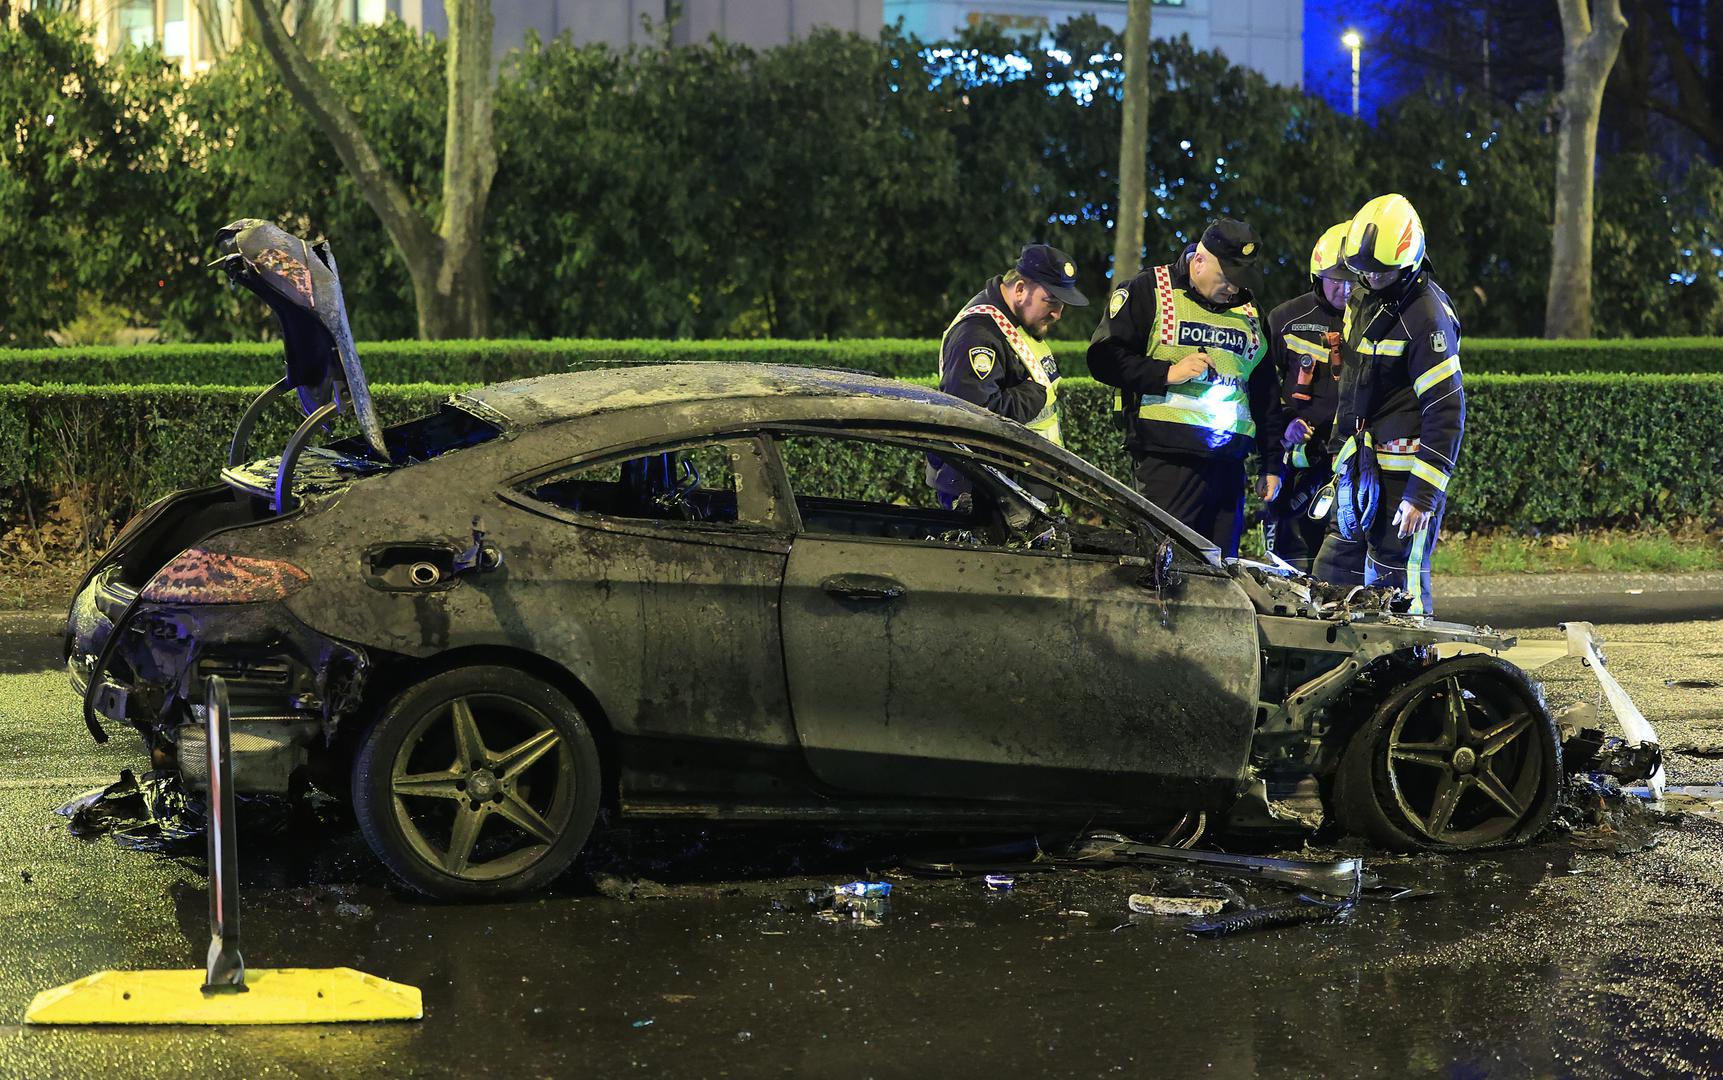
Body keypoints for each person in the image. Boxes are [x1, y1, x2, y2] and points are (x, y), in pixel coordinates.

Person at [1086, 218, 1286, 557]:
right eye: (1226, 278)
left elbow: (1264, 392)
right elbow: (1104, 359)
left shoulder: (1250, 310)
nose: (1233, 289)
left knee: (1221, 571)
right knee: (1163, 567)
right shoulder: (1149, 289)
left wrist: (1271, 463)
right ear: (1200, 261)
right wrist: (1167, 372)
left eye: (1240, 279)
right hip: (1166, 464)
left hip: (1228, 469)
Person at [1312, 193, 1464, 615]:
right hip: (1360, 469)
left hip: (1403, 479)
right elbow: (1355, 386)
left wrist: (1422, 495)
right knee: (1332, 577)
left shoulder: (1427, 317)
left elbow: (1446, 409)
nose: (1370, 277)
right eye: (1363, 270)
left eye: (1381, 271)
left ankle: (1415, 658)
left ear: (1408, 261)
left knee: (1396, 587)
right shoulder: (1366, 296)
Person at [928, 244, 1088, 507]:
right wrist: (1032, 395)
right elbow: (972, 416)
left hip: (1018, 479)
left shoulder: (1015, 320)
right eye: (1051, 301)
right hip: (987, 489)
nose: (1058, 314)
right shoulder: (977, 334)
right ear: (1021, 289)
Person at [1262, 222, 1363, 576]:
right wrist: (1286, 423)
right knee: (1291, 561)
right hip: (1299, 463)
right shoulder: (1285, 320)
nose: (1345, 288)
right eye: (1336, 279)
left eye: (1353, 279)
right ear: (1317, 275)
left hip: (1354, 461)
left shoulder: (1374, 321)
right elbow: (1261, 389)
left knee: (1346, 562)